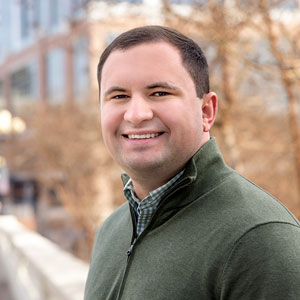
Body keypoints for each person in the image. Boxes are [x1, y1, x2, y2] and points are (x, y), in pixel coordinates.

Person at [84, 25, 300, 300]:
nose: (136, 114)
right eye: (119, 96)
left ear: (206, 111)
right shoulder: (111, 231)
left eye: (159, 93)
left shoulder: (261, 238)